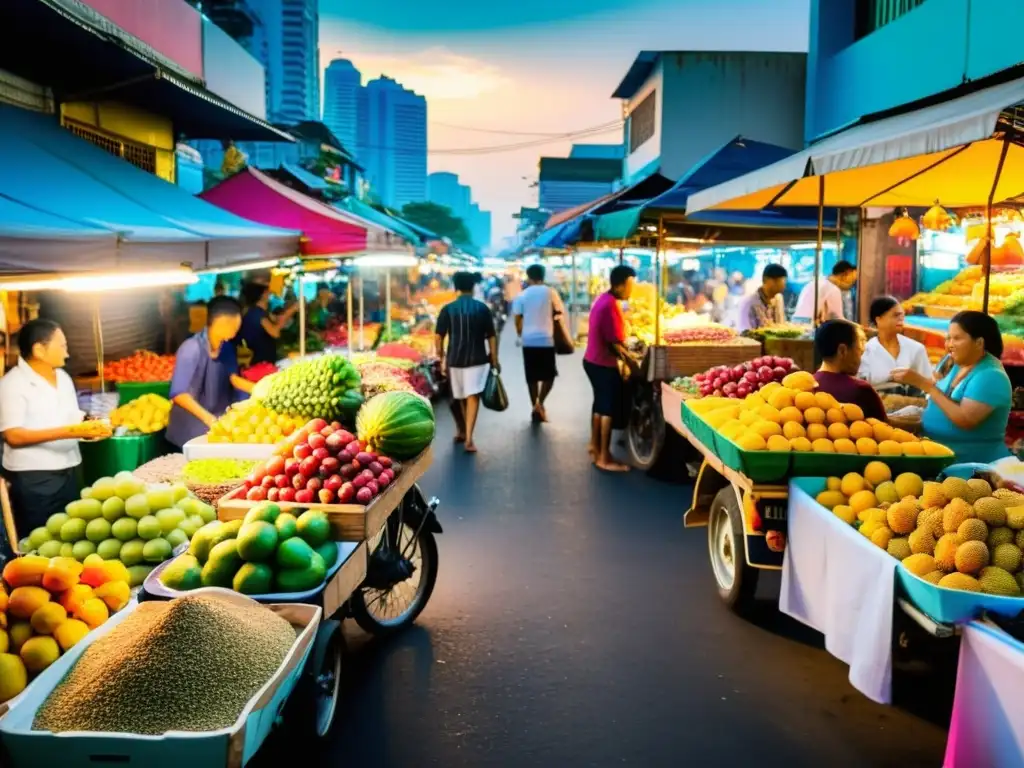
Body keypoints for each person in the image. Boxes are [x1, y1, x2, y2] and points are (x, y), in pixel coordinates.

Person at [0, 319, 110, 532]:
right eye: (62, 346)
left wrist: (88, 428)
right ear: (39, 350)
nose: (66, 353)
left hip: (70, 468)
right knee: (41, 536)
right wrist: (71, 431)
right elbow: (14, 435)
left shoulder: (63, 377)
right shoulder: (12, 385)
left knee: (71, 532)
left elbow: (69, 418)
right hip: (36, 476)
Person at [892, 311, 1011, 464]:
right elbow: (940, 405)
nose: (949, 345)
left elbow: (965, 419)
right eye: (948, 338)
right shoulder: (954, 364)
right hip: (936, 453)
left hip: (971, 465)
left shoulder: (991, 376)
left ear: (979, 343)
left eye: (957, 338)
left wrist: (924, 384)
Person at [166, 297, 254, 449]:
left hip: (214, 429)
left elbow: (234, 379)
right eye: (234, 326)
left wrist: (263, 390)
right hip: (188, 434)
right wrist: (210, 419)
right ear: (220, 323)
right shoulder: (191, 349)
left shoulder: (226, 348)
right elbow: (179, 395)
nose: (236, 331)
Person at [435, 272, 499, 454]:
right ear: (473, 287)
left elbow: (438, 336)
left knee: (457, 397)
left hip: (454, 359)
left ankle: (462, 430)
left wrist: (440, 357)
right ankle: (468, 437)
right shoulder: (482, 308)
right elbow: (492, 335)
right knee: (472, 396)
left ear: (456, 288)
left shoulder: (448, 309)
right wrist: (494, 357)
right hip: (477, 359)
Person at [584, 264, 639, 472]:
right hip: (601, 363)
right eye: (629, 285)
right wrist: (630, 362)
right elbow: (614, 342)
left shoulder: (604, 300)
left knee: (599, 406)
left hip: (593, 360)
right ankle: (604, 458)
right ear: (619, 285)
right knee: (607, 409)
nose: (630, 290)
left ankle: (594, 447)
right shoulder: (610, 305)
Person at [512, 264, 566, 423]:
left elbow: (517, 320)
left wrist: (521, 334)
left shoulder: (522, 295)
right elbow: (559, 312)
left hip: (528, 341)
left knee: (532, 377)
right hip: (546, 339)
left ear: (528, 276)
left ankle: (534, 406)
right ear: (543, 275)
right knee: (549, 376)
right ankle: (540, 403)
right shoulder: (551, 293)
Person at [813, 320, 887, 421]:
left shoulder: (807, 388)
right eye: (860, 351)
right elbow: (884, 429)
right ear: (842, 351)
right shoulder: (862, 390)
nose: (861, 358)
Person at [859, 296, 933, 386]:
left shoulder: (916, 349)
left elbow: (929, 383)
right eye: (896, 315)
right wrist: (890, 378)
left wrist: (914, 378)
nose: (901, 319)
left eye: (902, 315)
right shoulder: (865, 351)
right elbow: (860, 384)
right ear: (878, 320)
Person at [237, 281, 301, 365]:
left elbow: (277, 319)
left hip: (262, 359)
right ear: (262, 295)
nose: (269, 293)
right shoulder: (257, 314)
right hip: (261, 362)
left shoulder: (257, 312)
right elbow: (275, 332)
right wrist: (293, 310)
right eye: (267, 291)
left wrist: (292, 309)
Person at [793, 260, 858, 324]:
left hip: (797, 323)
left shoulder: (815, 283)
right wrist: (857, 328)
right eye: (853, 281)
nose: (852, 285)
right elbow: (838, 319)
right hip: (810, 326)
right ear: (846, 274)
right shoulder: (833, 289)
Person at [735, 264, 788, 332]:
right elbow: (744, 331)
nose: (783, 285)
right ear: (766, 280)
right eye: (778, 281)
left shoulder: (778, 299)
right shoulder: (748, 302)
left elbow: (781, 326)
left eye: (784, 281)